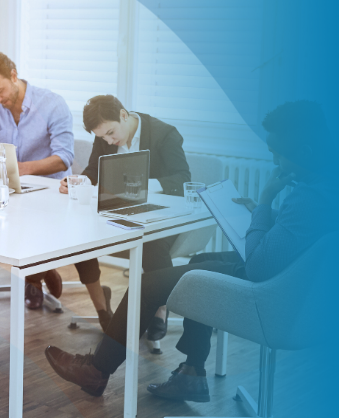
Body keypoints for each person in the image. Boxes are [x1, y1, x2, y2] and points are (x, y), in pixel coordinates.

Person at [44, 101, 337, 402]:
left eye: (278, 154)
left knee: (147, 285)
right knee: (198, 262)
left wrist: (264, 203)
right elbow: (301, 234)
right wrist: (267, 215)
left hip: (272, 292)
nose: (274, 161)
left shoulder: (308, 196)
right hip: (296, 282)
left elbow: (259, 266)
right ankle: (192, 374)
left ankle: (96, 371)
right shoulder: (327, 183)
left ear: (305, 152)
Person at [59, 95, 191, 334]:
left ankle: (160, 308)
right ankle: (101, 308)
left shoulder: (164, 134)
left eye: (110, 133)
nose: (109, 141)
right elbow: (93, 171)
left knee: (150, 241)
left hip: (161, 216)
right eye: (102, 137)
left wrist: (142, 186)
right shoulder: (105, 138)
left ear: (123, 115)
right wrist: (79, 181)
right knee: (79, 237)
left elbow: (182, 179)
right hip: (118, 211)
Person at [0, 52, 73, 310]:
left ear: (14, 76)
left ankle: (35, 279)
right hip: (8, 188)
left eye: (0, 91)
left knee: (29, 218)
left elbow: (64, 157)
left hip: (47, 190)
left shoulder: (53, 104)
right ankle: (42, 270)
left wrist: (23, 168)